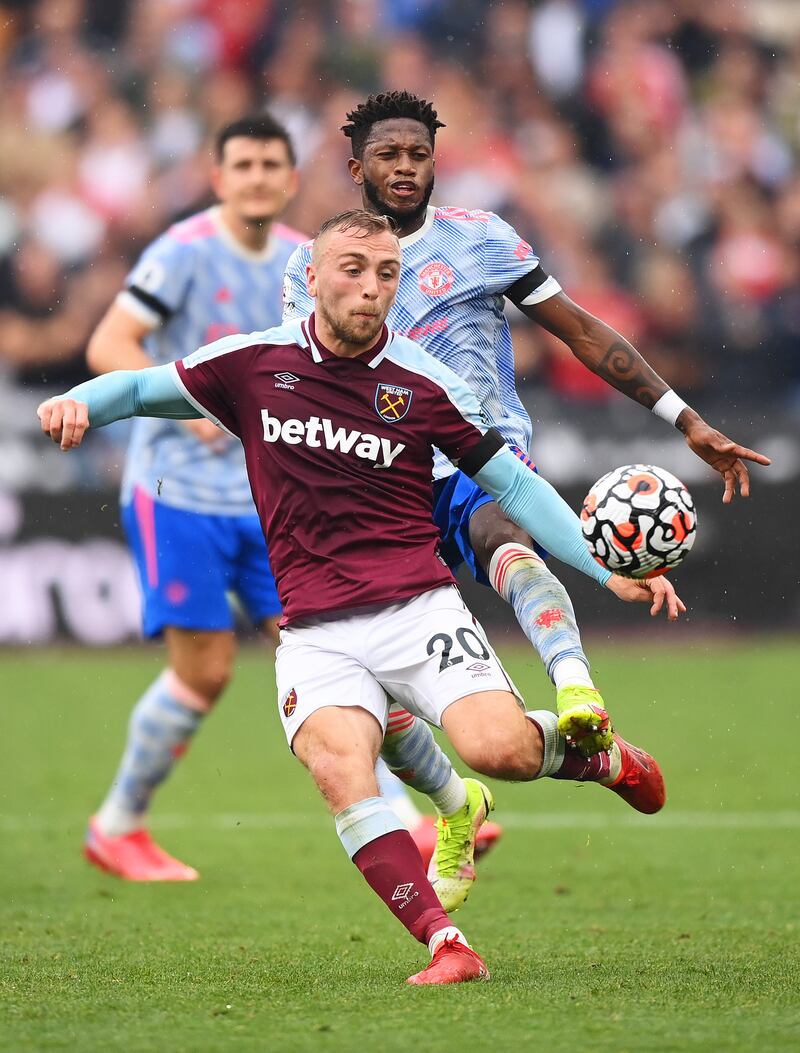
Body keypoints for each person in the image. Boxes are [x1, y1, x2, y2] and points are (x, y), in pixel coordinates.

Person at [39, 210, 684, 984]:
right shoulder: (252, 363)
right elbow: (142, 387)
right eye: (351, 268)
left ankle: (601, 758)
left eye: (385, 273)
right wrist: (80, 399)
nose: (370, 286)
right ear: (310, 277)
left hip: (418, 608)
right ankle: (448, 944)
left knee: (500, 751)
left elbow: (512, 482)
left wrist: (600, 564)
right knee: (341, 771)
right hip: (313, 630)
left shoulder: (424, 381)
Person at [281, 90, 770, 844]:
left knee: (500, 532)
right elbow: (303, 384)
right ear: (357, 167)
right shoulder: (310, 269)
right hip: (377, 480)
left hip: (477, 451)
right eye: (389, 155)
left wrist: (684, 417)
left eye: (418, 153)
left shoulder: (481, 240)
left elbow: (579, 330)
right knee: (374, 678)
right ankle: (460, 806)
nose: (406, 167)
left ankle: (576, 686)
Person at [81, 111, 499, 888]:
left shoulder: (305, 256)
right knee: (205, 672)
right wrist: (211, 407)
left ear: (290, 178)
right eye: (243, 166)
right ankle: (118, 825)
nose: (260, 179)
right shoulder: (181, 252)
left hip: (274, 508)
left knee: (355, 653)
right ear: (218, 178)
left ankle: (434, 808)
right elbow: (110, 345)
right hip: (178, 493)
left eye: (273, 166)